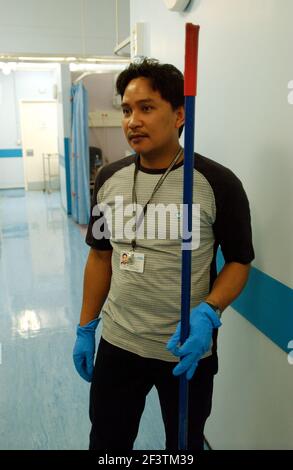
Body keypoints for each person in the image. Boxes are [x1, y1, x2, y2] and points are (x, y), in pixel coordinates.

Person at [73, 58, 254, 451]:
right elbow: (101, 257)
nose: (132, 121)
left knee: (183, 446)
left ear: (178, 115)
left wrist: (210, 311)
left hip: (186, 350)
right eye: (126, 110)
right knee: (107, 445)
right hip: (119, 344)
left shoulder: (216, 183)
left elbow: (240, 261)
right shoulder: (109, 179)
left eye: (146, 108)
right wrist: (86, 327)